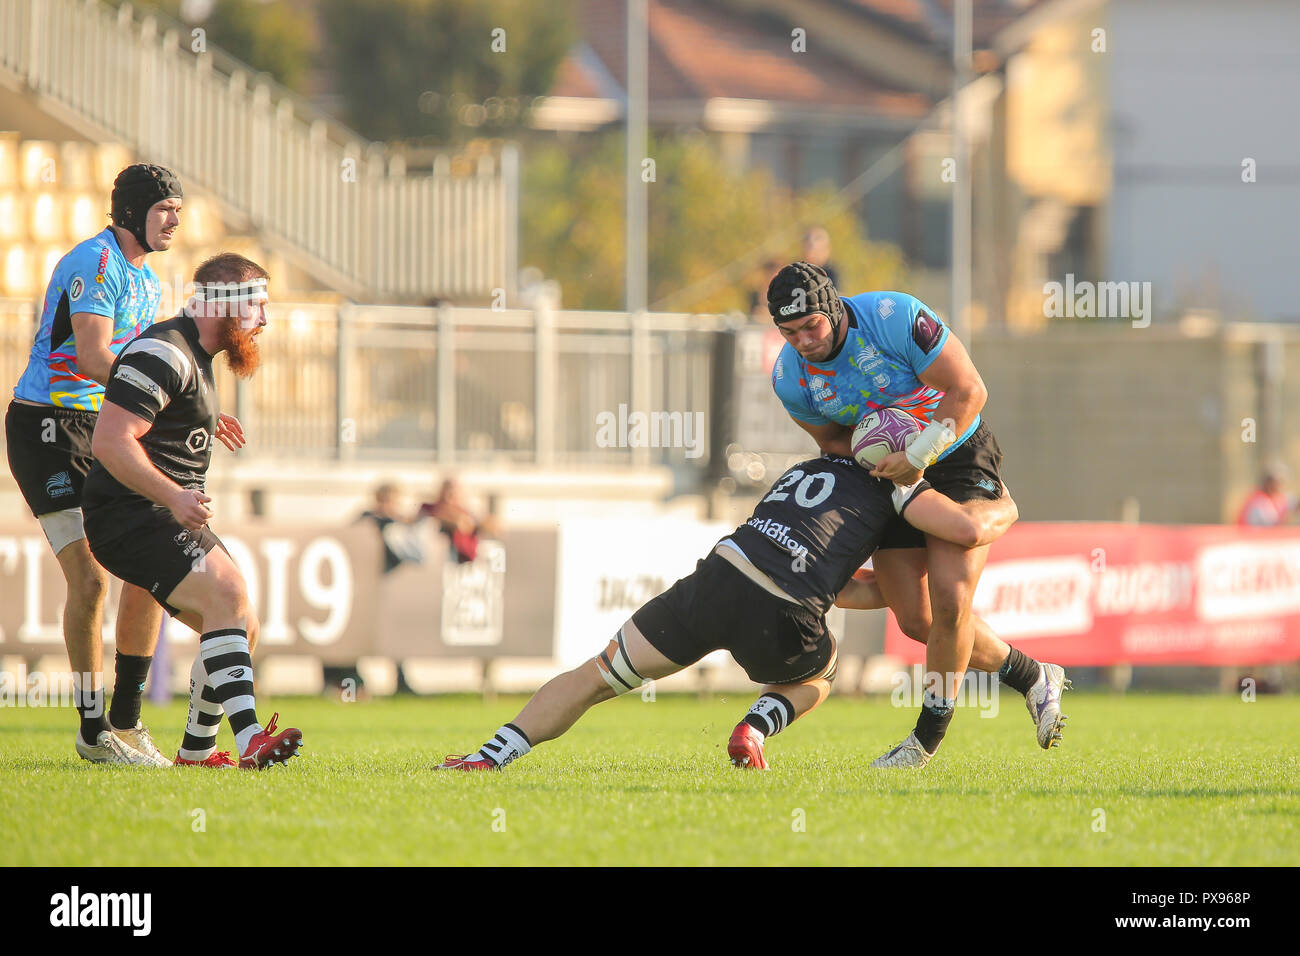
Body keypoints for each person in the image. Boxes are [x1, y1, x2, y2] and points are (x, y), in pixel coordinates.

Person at [435, 454, 1019, 772]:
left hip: (719, 574)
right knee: (820, 676)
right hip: (784, 604)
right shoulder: (899, 490)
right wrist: (999, 506)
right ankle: (753, 729)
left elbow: (805, 555)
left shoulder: (802, 471)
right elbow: (964, 531)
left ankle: (490, 756)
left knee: (597, 675)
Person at [768, 261, 1067, 768]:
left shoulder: (893, 315)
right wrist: (880, 472)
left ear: (834, 310)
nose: (802, 341)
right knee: (917, 619)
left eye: (810, 327)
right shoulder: (790, 378)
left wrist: (921, 451)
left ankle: (924, 740)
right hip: (887, 471)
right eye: (788, 332)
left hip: (954, 448)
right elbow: (834, 445)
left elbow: (970, 390)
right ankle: (1033, 674)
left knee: (951, 601)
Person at [3, 163, 198, 766]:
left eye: (178, 211)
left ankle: (128, 722)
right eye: (165, 209)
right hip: (50, 427)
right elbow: (92, 357)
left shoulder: (148, 277)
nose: (174, 221)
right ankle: (93, 735)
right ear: (135, 210)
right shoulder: (96, 263)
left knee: (143, 566)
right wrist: (167, 395)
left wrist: (178, 396)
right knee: (90, 579)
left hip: (108, 427)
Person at [81, 252, 302, 770]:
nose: (264, 321)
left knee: (240, 624)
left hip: (154, 512)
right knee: (226, 591)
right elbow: (111, 441)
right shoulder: (165, 350)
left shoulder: (192, 357)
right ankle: (250, 741)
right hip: (128, 514)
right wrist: (174, 496)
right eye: (258, 306)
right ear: (225, 305)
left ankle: (196, 754)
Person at [420, 477, 498, 564]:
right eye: (447, 491)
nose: (448, 496)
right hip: (437, 556)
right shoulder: (429, 508)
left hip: (464, 557)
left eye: (452, 493)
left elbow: (490, 527)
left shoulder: (464, 512)